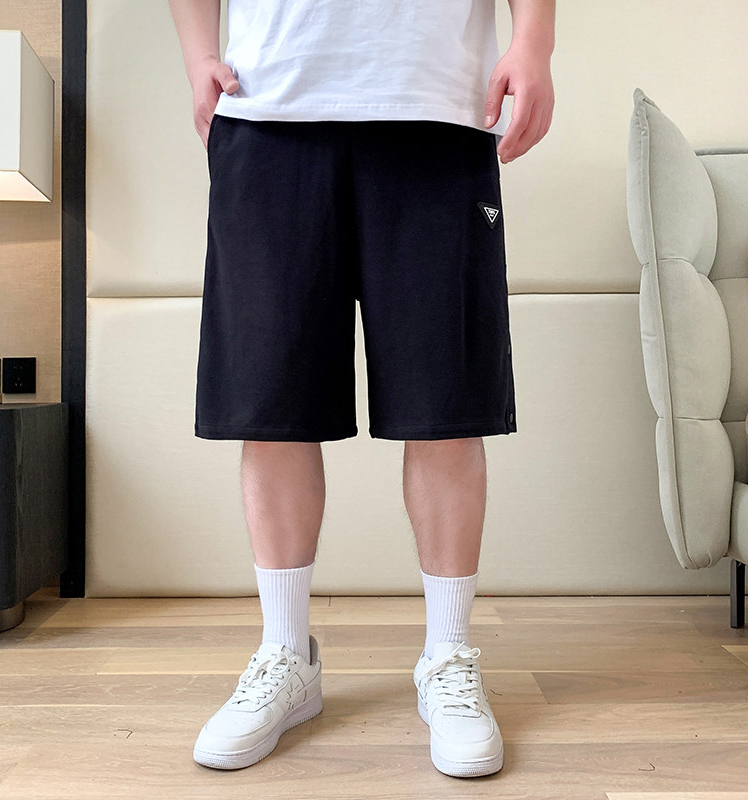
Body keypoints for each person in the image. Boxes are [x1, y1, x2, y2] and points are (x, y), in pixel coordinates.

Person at [169, 0, 555, 778]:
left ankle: (448, 656)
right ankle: (286, 654)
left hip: (437, 106)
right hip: (269, 103)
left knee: (446, 404)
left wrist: (534, 42)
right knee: (271, 406)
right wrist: (196, 51)